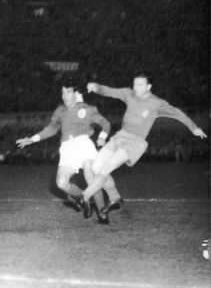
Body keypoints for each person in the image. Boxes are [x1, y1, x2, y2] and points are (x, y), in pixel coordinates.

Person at [80, 74, 207, 216]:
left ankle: (84, 196)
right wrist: (96, 87)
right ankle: (115, 199)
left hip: (134, 142)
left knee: (106, 169)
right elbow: (109, 91)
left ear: (148, 87)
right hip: (120, 136)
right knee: (96, 167)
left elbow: (177, 113)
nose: (135, 87)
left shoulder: (157, 103)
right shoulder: (129, 94)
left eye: (140, 85)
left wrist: (193, 127)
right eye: (134, 84)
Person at [16, 82, 121, 224]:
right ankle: (84, 199)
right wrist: (33, 139)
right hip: (67, 148)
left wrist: (102, 138)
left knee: (91, 178)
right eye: (63, 92)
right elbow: (52, 128)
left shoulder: (87, 109)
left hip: (84, 144)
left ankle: (102, 212)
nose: (64, 96)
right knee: (61, 183)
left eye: (68, 92)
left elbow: (105, 124)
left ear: (76, 93)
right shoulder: (60, 111)